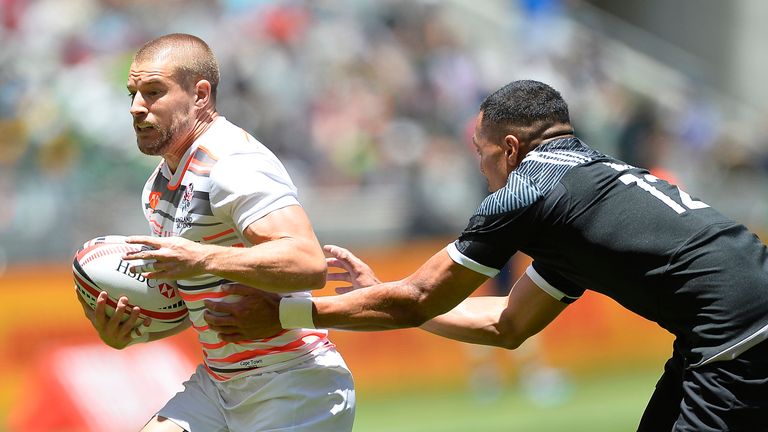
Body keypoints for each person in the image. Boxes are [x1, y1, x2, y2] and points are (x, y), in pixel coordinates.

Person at [202, 79, 768, 431]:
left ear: (512, 148)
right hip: (731, 330)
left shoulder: (527, 190)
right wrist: (386, 296)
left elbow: (418, 299)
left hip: (733, 338)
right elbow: (508, 322)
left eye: (481, 153)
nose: (480, 168)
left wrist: (285, 313)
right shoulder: (587, 187)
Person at [75, 33, 355, 432]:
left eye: (154, 92)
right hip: (220, 382)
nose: (137, 108)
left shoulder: (232, 163)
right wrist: (131, 331)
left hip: (293, 384)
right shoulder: (158, 185)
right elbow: (199, 298)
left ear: (200, 94)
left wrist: (200, 257)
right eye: (132, 93)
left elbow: (307, 263)